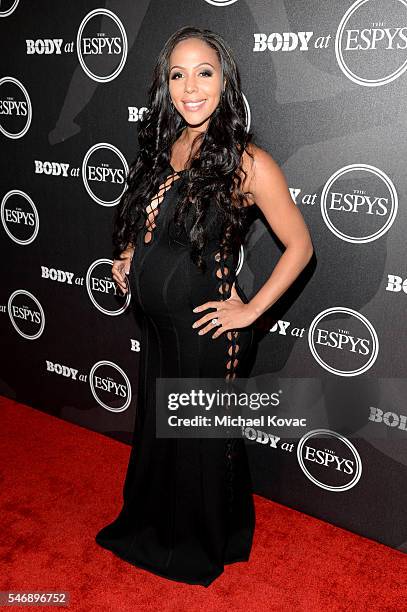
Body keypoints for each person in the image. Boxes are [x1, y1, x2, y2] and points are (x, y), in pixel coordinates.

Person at [95, 25, 313, 587]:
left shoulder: (247, 161)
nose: (190, 87)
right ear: (165, 86)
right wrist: (128, 258)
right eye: (177, 74)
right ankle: (171, 526)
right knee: (160, 433)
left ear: (225, 82)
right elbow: (152, 225)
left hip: (208, 333)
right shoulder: (165, 146)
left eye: (204, 73)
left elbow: (301, 246)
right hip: (162, 332)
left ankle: (197, 542)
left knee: (196, 440)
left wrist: (252, 311)